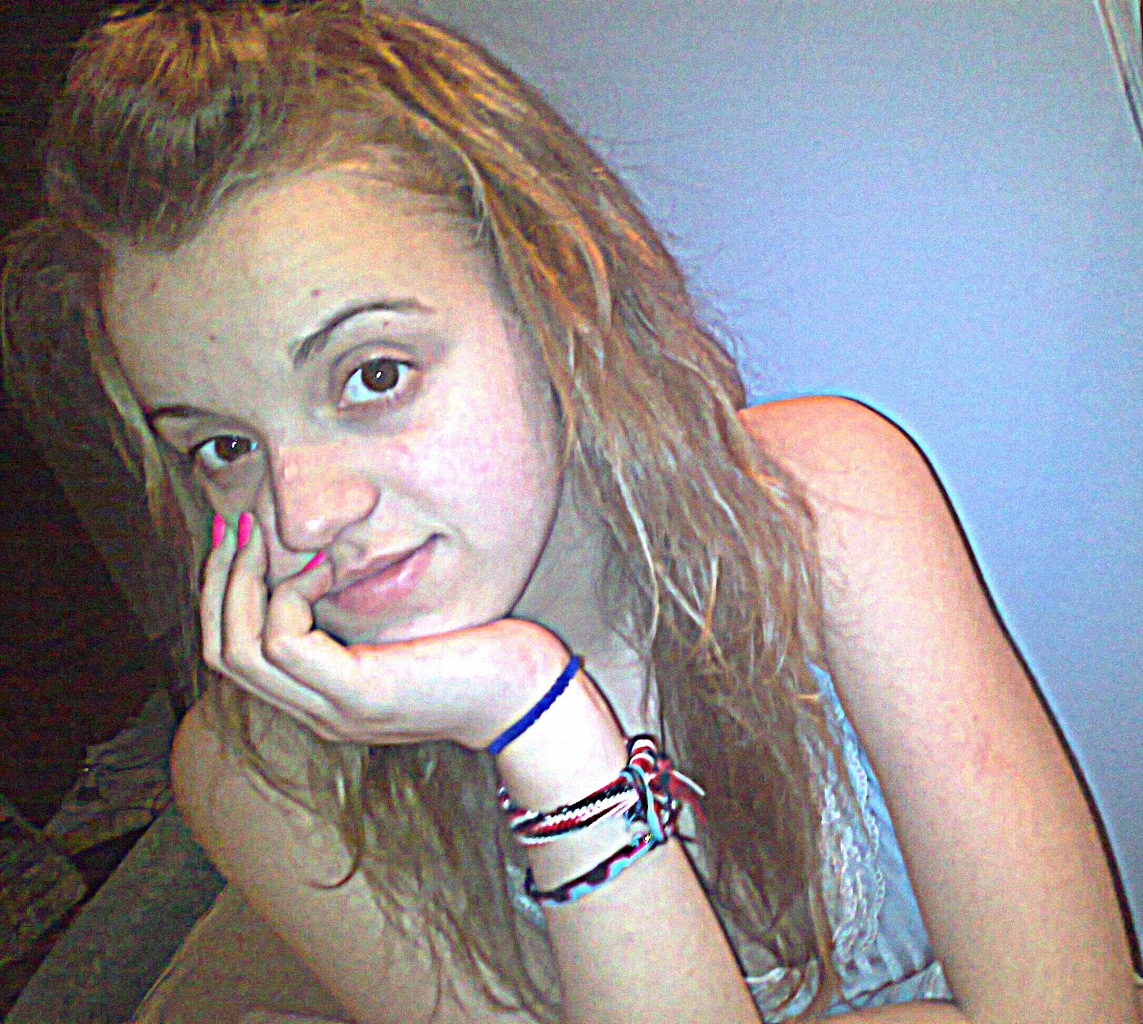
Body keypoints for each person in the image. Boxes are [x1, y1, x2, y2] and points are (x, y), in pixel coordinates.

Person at [3, 2, 1139, 1022]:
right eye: (222, 447)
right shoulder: (260, 777)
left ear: (550, 298)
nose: (302, 518)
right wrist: (541, 728)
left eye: (375, 374)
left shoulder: (828, 505)